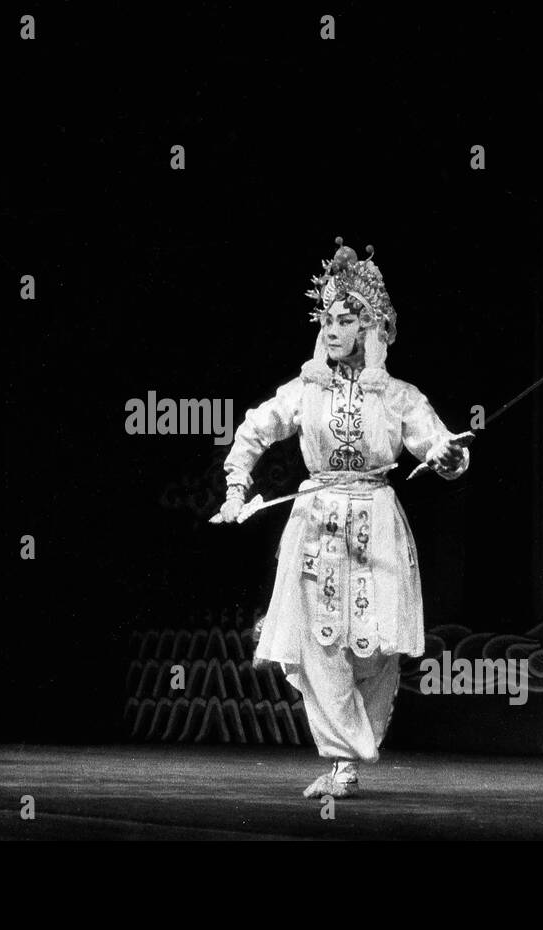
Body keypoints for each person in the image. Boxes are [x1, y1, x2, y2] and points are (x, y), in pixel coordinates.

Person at [214, 238, 468, 797]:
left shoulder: (398, 396)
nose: (332, 329)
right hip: (317, 524)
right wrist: (237, 489)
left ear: (370, 329)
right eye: (326, 319)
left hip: (376, 520)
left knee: (376, 649)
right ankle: (342, 760)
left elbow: (439, 445)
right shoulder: (306, 391)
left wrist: (449, 457)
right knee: (320, 645)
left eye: (346, 319)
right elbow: (254, 430)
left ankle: (352, 753)